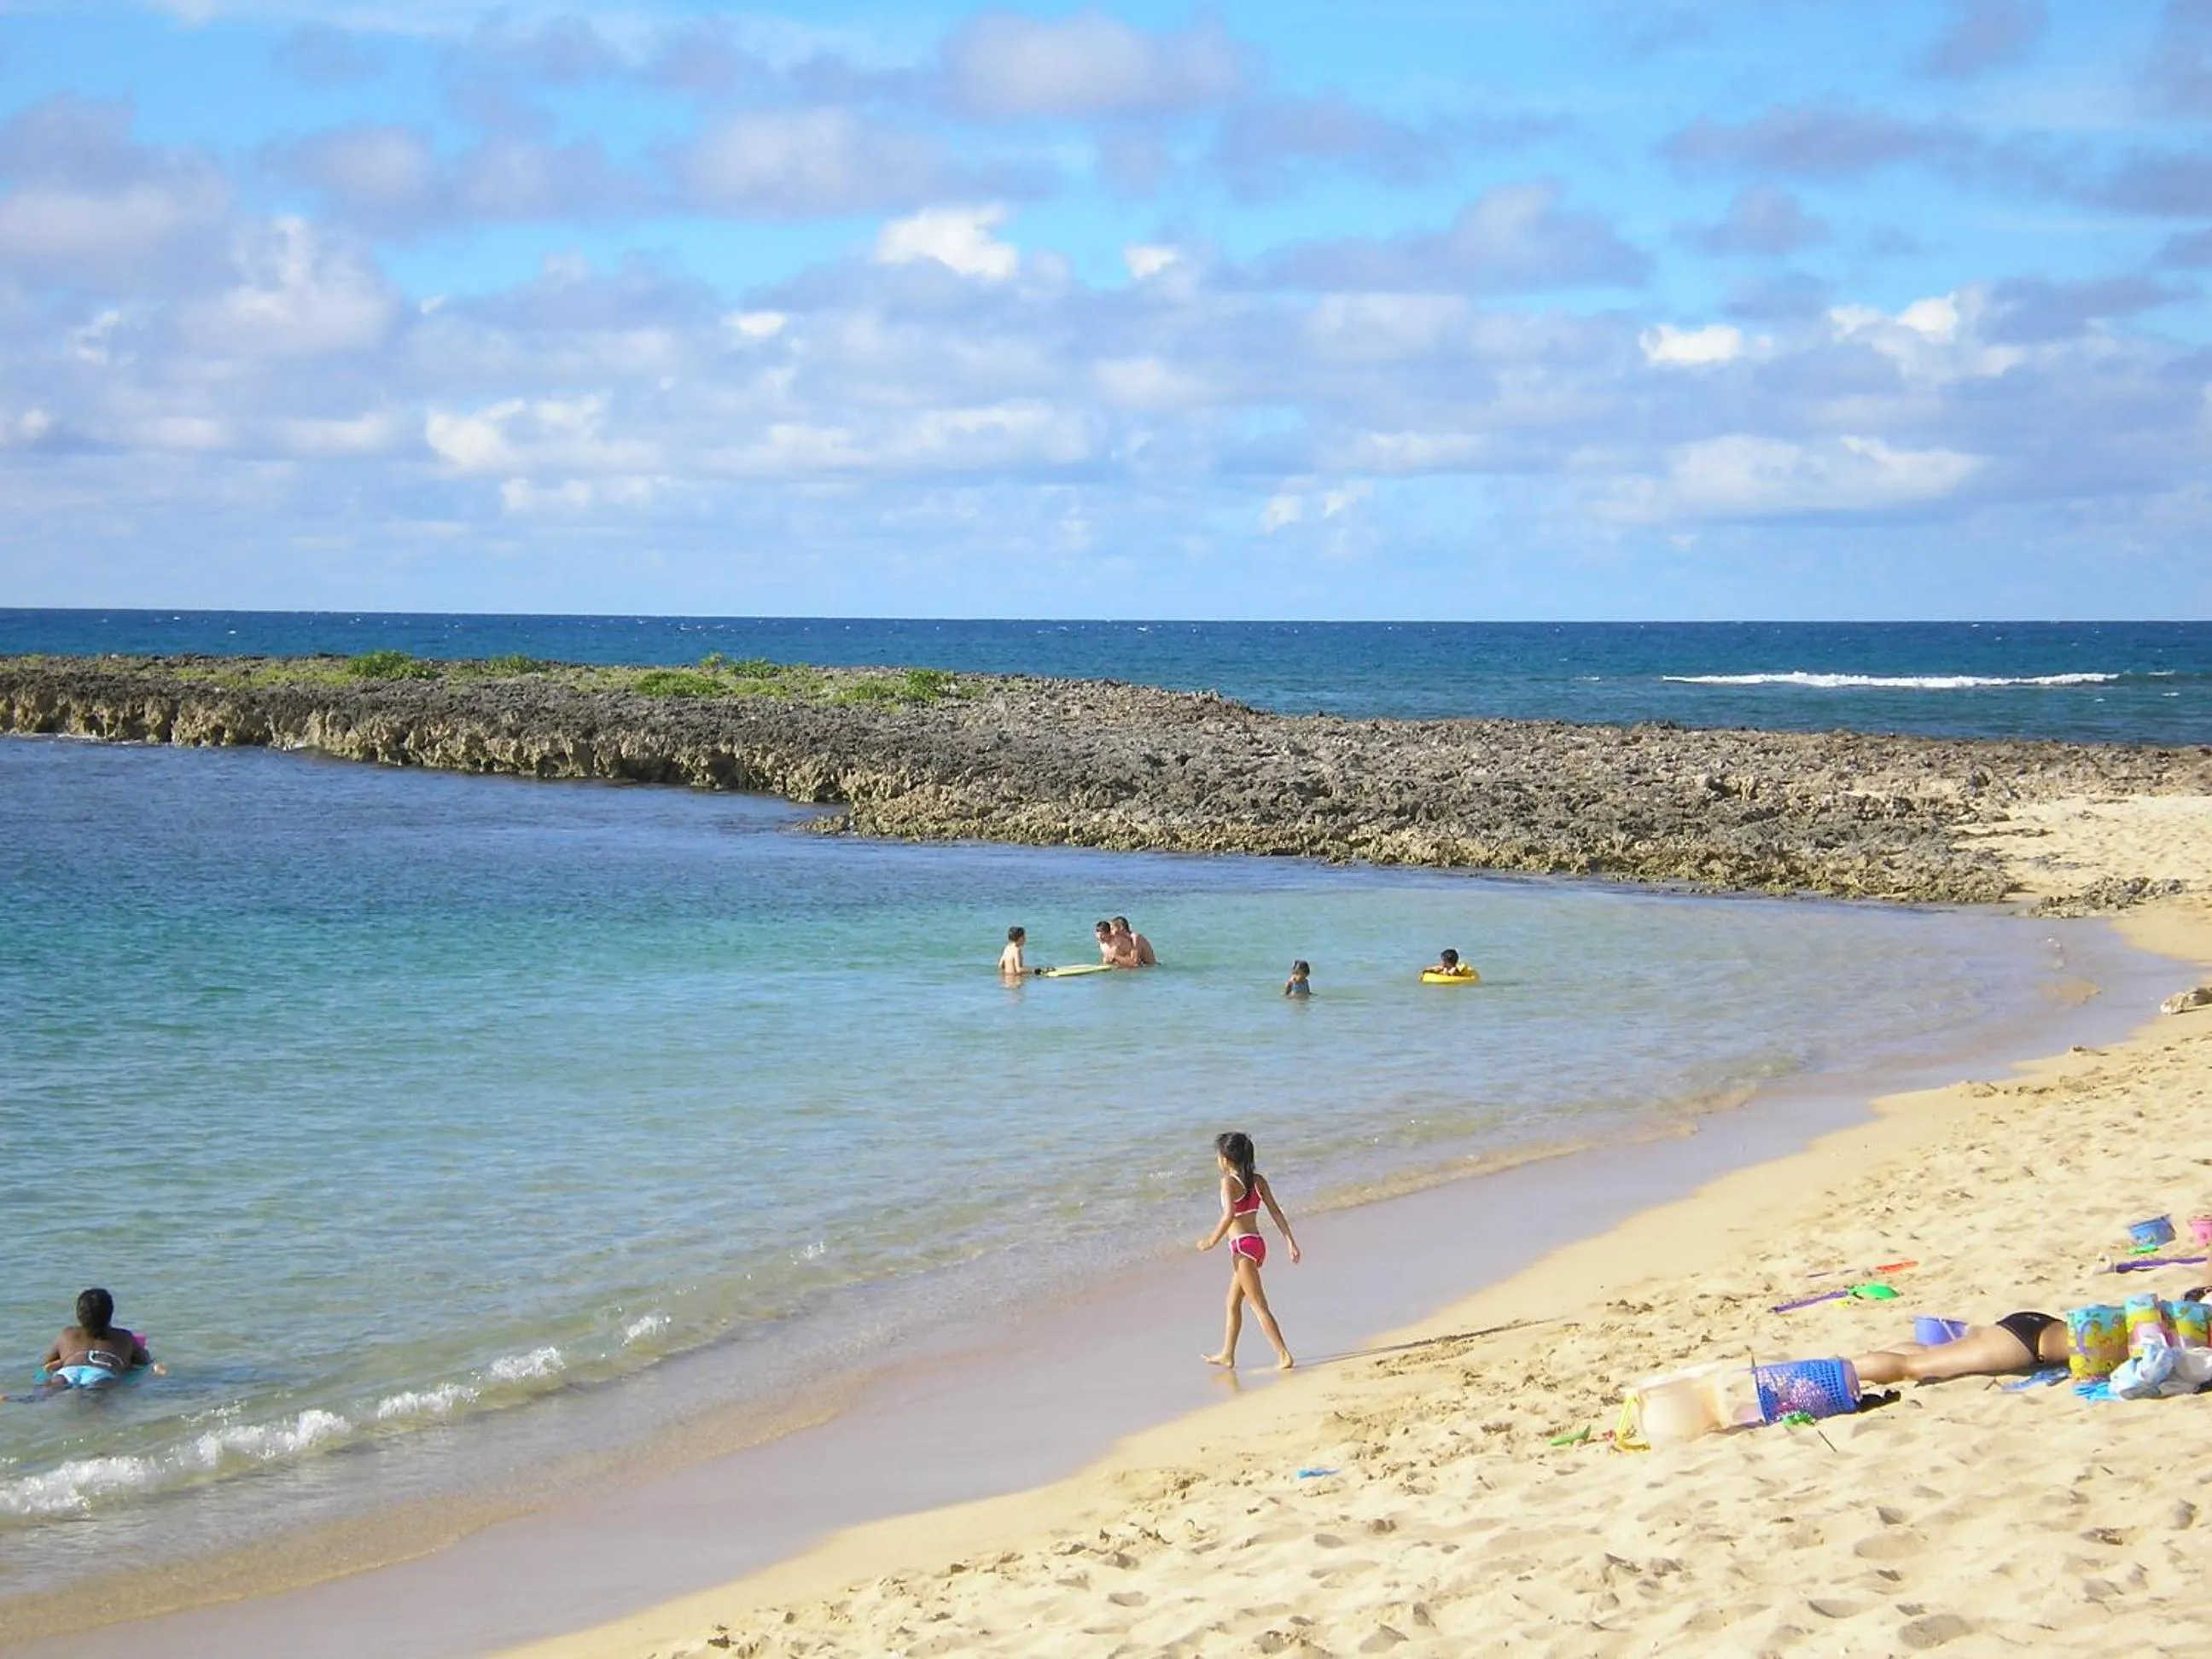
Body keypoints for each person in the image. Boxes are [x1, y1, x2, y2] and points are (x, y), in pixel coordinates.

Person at [1196, 1132, 1301, 1371]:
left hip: (1243, 1248)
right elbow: (1275, 1211)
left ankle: (1284, 1354)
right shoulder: (1258, 1180)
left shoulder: (1228, 1183)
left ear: (1225, 1158)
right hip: (1256, 1245)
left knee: (1258, 1306)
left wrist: (1210, 1241)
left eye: (1218, 1155)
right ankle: (1227, 1354)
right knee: (1232, 1303)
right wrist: (1290, 1241)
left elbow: (1229, 1216)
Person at [1852, 1310, 2070, 1385]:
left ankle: (1852, 1363)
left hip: (2036, 1327)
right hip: (2020, 1345)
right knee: (1911, 1367)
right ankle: (1829, 1373)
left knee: (1928, 1353)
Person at [37, 1289, 162, 1389]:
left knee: (53, 1387)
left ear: (78, 1314)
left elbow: (46, 1364)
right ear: (110, 1313)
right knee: (95, 1400)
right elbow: (144, 1362)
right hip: (102, 1373)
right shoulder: (124, 1337)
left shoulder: (67, 1334)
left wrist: (61, 1361)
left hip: (68, 1371)